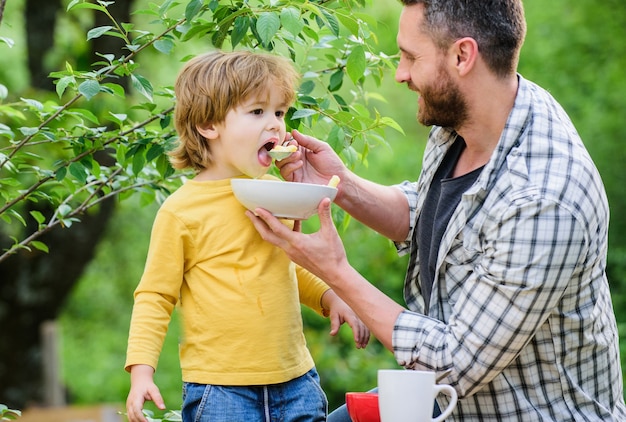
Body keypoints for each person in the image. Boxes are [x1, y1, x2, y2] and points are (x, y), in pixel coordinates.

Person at [246, 0, 626, 420]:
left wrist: (335, 270)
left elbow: (454, 363)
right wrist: (340, 186)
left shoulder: (545, 198)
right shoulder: (471, 119)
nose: (400, 73)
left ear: (462, 55)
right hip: (454, 402)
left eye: (410, 57)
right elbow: (429, 216)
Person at [124, 50, 370, 422]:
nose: (274, 125)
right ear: (209, 124)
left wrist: (330, 295)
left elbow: (288, 261)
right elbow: (155, 296)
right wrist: (142, 371)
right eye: (257, 112)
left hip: (296, 380)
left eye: (279, 112)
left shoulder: (274, 190)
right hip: (221, 389)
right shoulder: (182, 210)